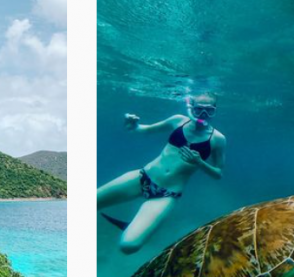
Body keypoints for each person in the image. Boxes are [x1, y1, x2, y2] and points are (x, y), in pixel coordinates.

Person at [97, 93, 227, 254]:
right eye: (199, 109)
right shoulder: (178, 120)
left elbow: (218, 173)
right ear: (191, 108)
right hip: (142, 177)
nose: (203, 114)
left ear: (215, 111)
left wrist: (199, 162)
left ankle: (141, 227)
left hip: (166, 194)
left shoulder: (218, 139)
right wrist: (132, 124)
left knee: (128, 246)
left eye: (209, 110)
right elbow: (144, 129)